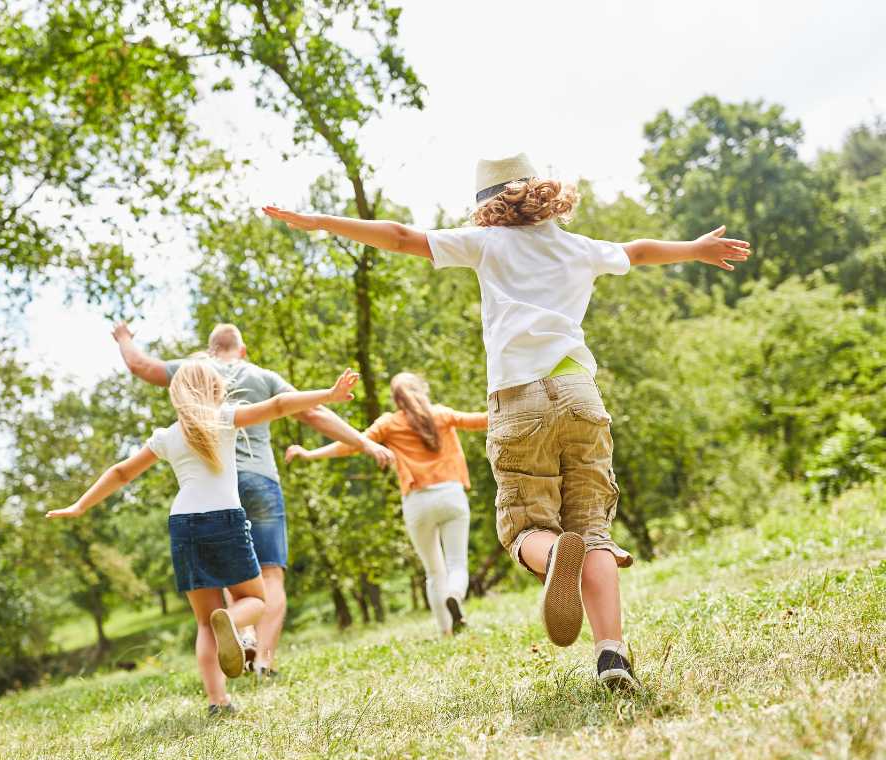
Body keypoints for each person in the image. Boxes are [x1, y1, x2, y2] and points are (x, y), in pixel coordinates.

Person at [263, 153, 750, 690]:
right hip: (580, 394)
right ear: (541, 192)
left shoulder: (488, 244)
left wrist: (323, 223)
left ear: (488, 207)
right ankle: (612, 655)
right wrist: (696, 249)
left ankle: (551, 557)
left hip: (520, 400)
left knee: (524, 527)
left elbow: (402, 236)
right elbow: (636, 251)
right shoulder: (576, 246)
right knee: (594, 532)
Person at [46, 361, 361, 714]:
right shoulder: (224, 418)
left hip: (183, 524)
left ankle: (217, 701)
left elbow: (121, 472)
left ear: (176, 395)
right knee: (255, 600)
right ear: (215, 390)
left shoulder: (166, 436)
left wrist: (79, 505)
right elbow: (277, 406)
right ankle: (233, 621)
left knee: (203, 622)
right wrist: (329, 395)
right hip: (224, 519)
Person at [112, 321, 393, 677]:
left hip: (213, 489)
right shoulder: (262, 375)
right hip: (260, 481)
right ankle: (264, 660)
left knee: (234, 574)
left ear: (211, 349)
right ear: (242, 350)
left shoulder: (193, 370)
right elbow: (311, 411)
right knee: (270, 575)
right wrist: (365, 442)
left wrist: (123, 338)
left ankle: (242, 636)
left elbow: (141, 366)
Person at [285, 372, 488, 636]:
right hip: (451, 495)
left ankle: (446, 631)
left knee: (433, 571)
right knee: (456, 565)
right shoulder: (442, 414)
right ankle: (454, 595)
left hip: (417, 502)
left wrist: (310, 453)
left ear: (395, 399)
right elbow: (483, 420)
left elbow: (353, 444)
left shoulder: (389, 423)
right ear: (421, 390)